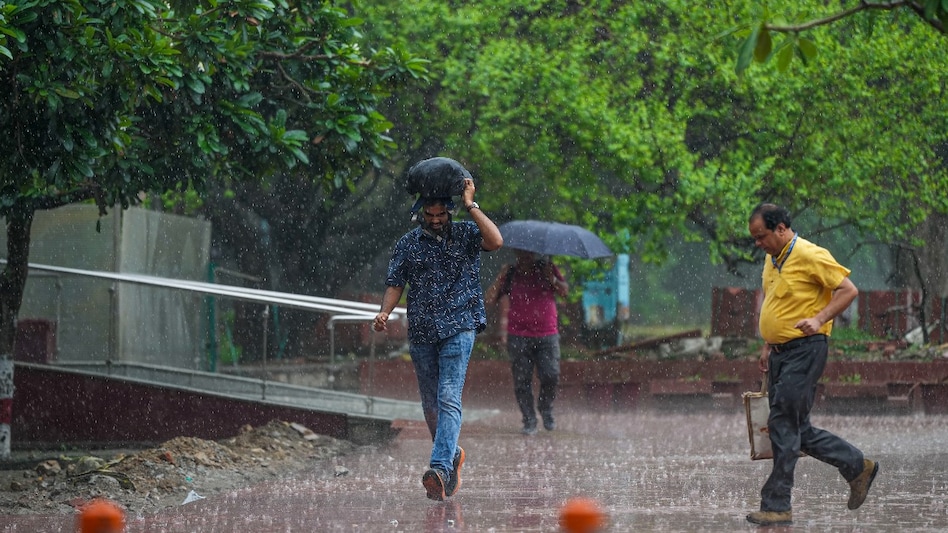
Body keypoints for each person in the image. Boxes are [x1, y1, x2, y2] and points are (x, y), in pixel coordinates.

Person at [745, 203, 878, 526]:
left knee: (782, 422)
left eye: (761, 236)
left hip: (806, 349)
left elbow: (848, 290)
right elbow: (777, 302)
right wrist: (767, 343)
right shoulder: (771, 259)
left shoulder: (810, 254)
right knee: (795, 428)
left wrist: (819, 318)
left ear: (781, 229)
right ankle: (856, 466)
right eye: (754, 237)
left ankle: (777, 504)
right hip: (780, 352)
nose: (757, 243)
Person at [373, 176, 503, 501]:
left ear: (449, 212)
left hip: (460, 324)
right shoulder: (407, 244)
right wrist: (385, 313)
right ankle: (452, 454)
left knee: (448, 396)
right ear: (420, 214)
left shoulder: (466, 234)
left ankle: (441, 467)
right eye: (429, 216)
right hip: (422, 331)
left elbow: (496, 241)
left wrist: (471, 203)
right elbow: (395, 282)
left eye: (440, 215)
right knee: (430, 405)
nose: (435, 221)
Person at [488, 249, 568, 435]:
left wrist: (552, 279)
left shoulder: (547, 268)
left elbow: (564, 292)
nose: (525, 256)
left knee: (551, 375)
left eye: (529, 252)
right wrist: (500, 277)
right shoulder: (510, 274)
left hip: (547, 334)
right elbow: (490, 299)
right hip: (518, 336)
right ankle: (529, 419)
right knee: (521, 380)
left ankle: (545, 407)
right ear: (516, 252)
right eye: (521, 252)